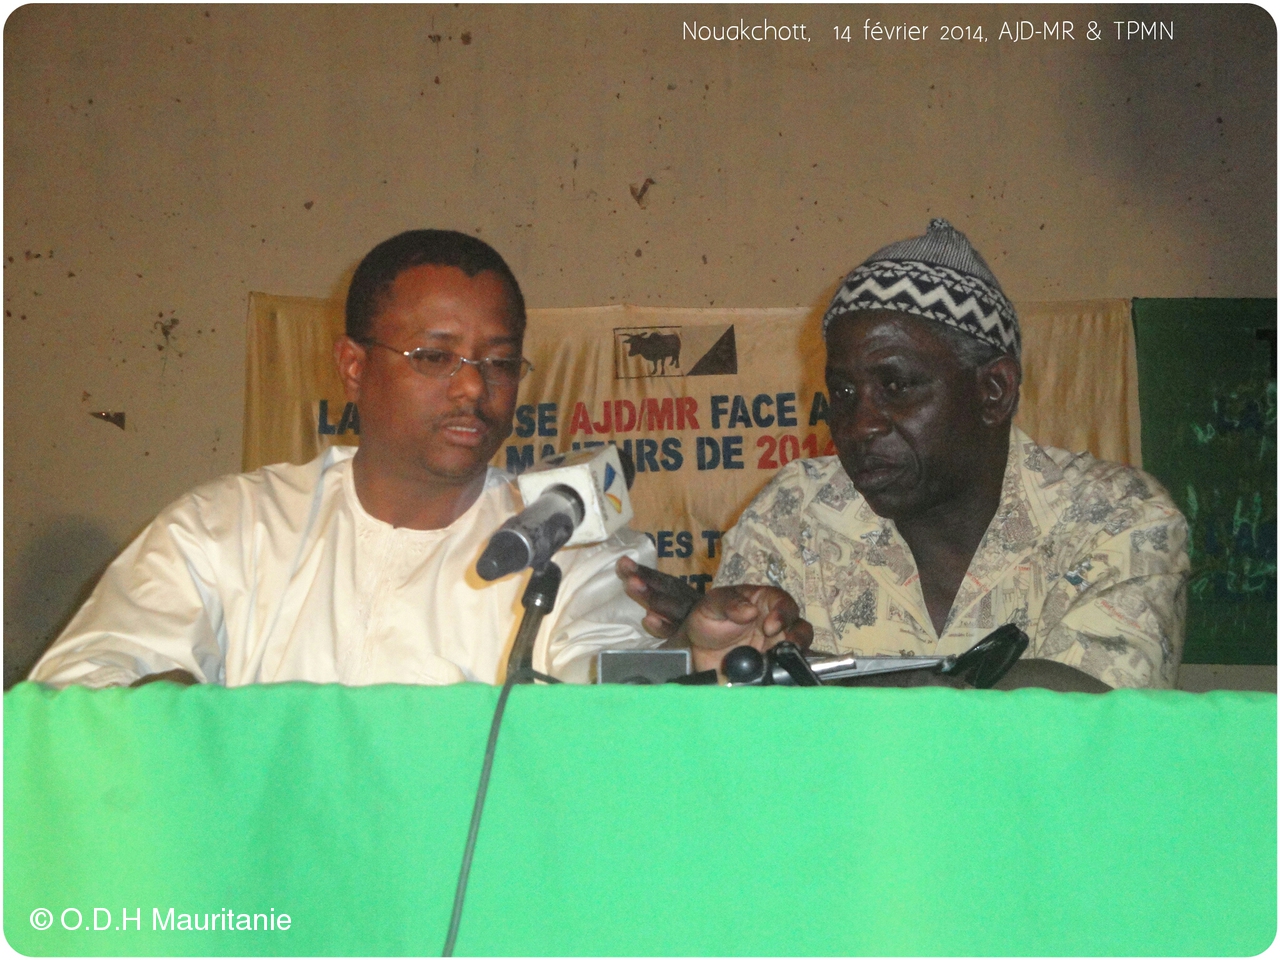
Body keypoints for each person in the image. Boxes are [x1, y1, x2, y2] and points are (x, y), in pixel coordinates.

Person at [30, 230, 658, 688]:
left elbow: (614, 710)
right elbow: (78, 689)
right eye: (435, 357)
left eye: (499, 361)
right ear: (354, 367)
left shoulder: (568, 546)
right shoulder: (228, 528)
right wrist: (172, 711)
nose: (473, 387)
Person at [620, 219, 1188, 691]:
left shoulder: (1114, 516)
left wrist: (814, 679)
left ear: (994, 391)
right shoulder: (792, 513)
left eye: (896, 386)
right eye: (844, 392)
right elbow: (724, 728)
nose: (860, 424)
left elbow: (1094, 719)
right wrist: (690, 653)